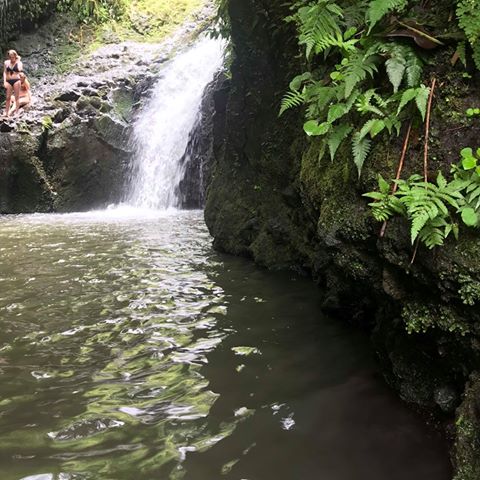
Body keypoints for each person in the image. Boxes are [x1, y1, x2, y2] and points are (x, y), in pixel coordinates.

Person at [3, 49, 23, 117]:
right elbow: (5, 72)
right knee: (8, 97)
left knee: (16, 97)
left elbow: (20, 69)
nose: (11, 58)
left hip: (16, 80)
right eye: (10, 57)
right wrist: (4, 81)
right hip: (8, 80)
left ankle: (17, 112)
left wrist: (17, 61)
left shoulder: (19, 63)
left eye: (13, 57)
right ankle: (6, 112)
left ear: (15, 56)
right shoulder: (6, 62)